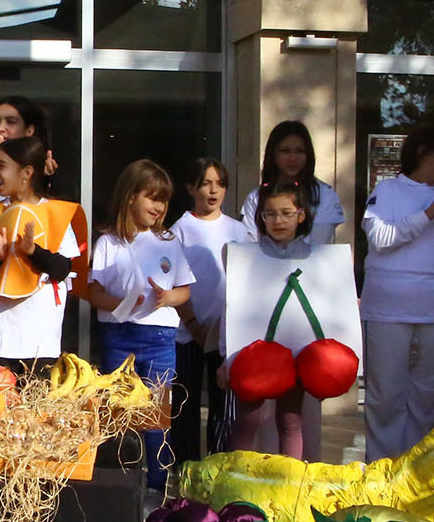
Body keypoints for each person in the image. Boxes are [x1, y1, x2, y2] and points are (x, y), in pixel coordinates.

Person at [359, 126, 434, 462]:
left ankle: (420, 479)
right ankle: (382, 476)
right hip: (388, 312)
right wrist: (429, 215)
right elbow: (380, 238)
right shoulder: (387, 191)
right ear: (425, 152)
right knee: (386, 399)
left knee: (431, 401)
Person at [85, 159, 194, 490]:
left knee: (158, 413)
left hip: (160, 337)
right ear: (131, 196)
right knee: (119, 412)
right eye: (152, 197)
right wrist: (120, 303)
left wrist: (166, 298)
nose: (159, 206)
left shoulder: (169, 242)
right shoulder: (109, 242)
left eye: (163, 200)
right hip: (119, 335)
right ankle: (122, 482)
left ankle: (158, 484)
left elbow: (185, 290)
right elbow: (92, 291)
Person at [0, 135, 80, 378]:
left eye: (2, 166)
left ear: (26, 172)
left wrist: (33, 250)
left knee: (35, 414)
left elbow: (62, 268)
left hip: (40, 340)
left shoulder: (54, 212)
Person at [224, 182, 313, 458]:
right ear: (260, 217)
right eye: (270, 214)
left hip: (296, 350)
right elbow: (231, 309)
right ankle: (238, 487)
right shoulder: (245, 256)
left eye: (286, 213)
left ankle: (290, 485)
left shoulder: (316, 257)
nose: (278, 220)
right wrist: (227, 360)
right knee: (249, 421)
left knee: (290, 421)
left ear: (301, 215)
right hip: (254, 354)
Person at [169, 156, 247, 462]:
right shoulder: (180, 230)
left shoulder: (240, 231)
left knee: (223, 409)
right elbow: (173, 280)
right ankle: (184, 470)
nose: (213, 191)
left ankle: (219, 467)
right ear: (191, 188)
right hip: (187, 333)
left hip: (225, 335)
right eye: (205, 183)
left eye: (220, 184)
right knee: (184, 406)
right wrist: (193, 324)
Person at [241, 121, 346, 244]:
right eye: (285, 151)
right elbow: (250, 245)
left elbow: (319, 246)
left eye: (299, 151)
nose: (293, 158)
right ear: (273, 154)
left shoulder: (324, 194)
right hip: (266, 262)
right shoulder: (256, 197)